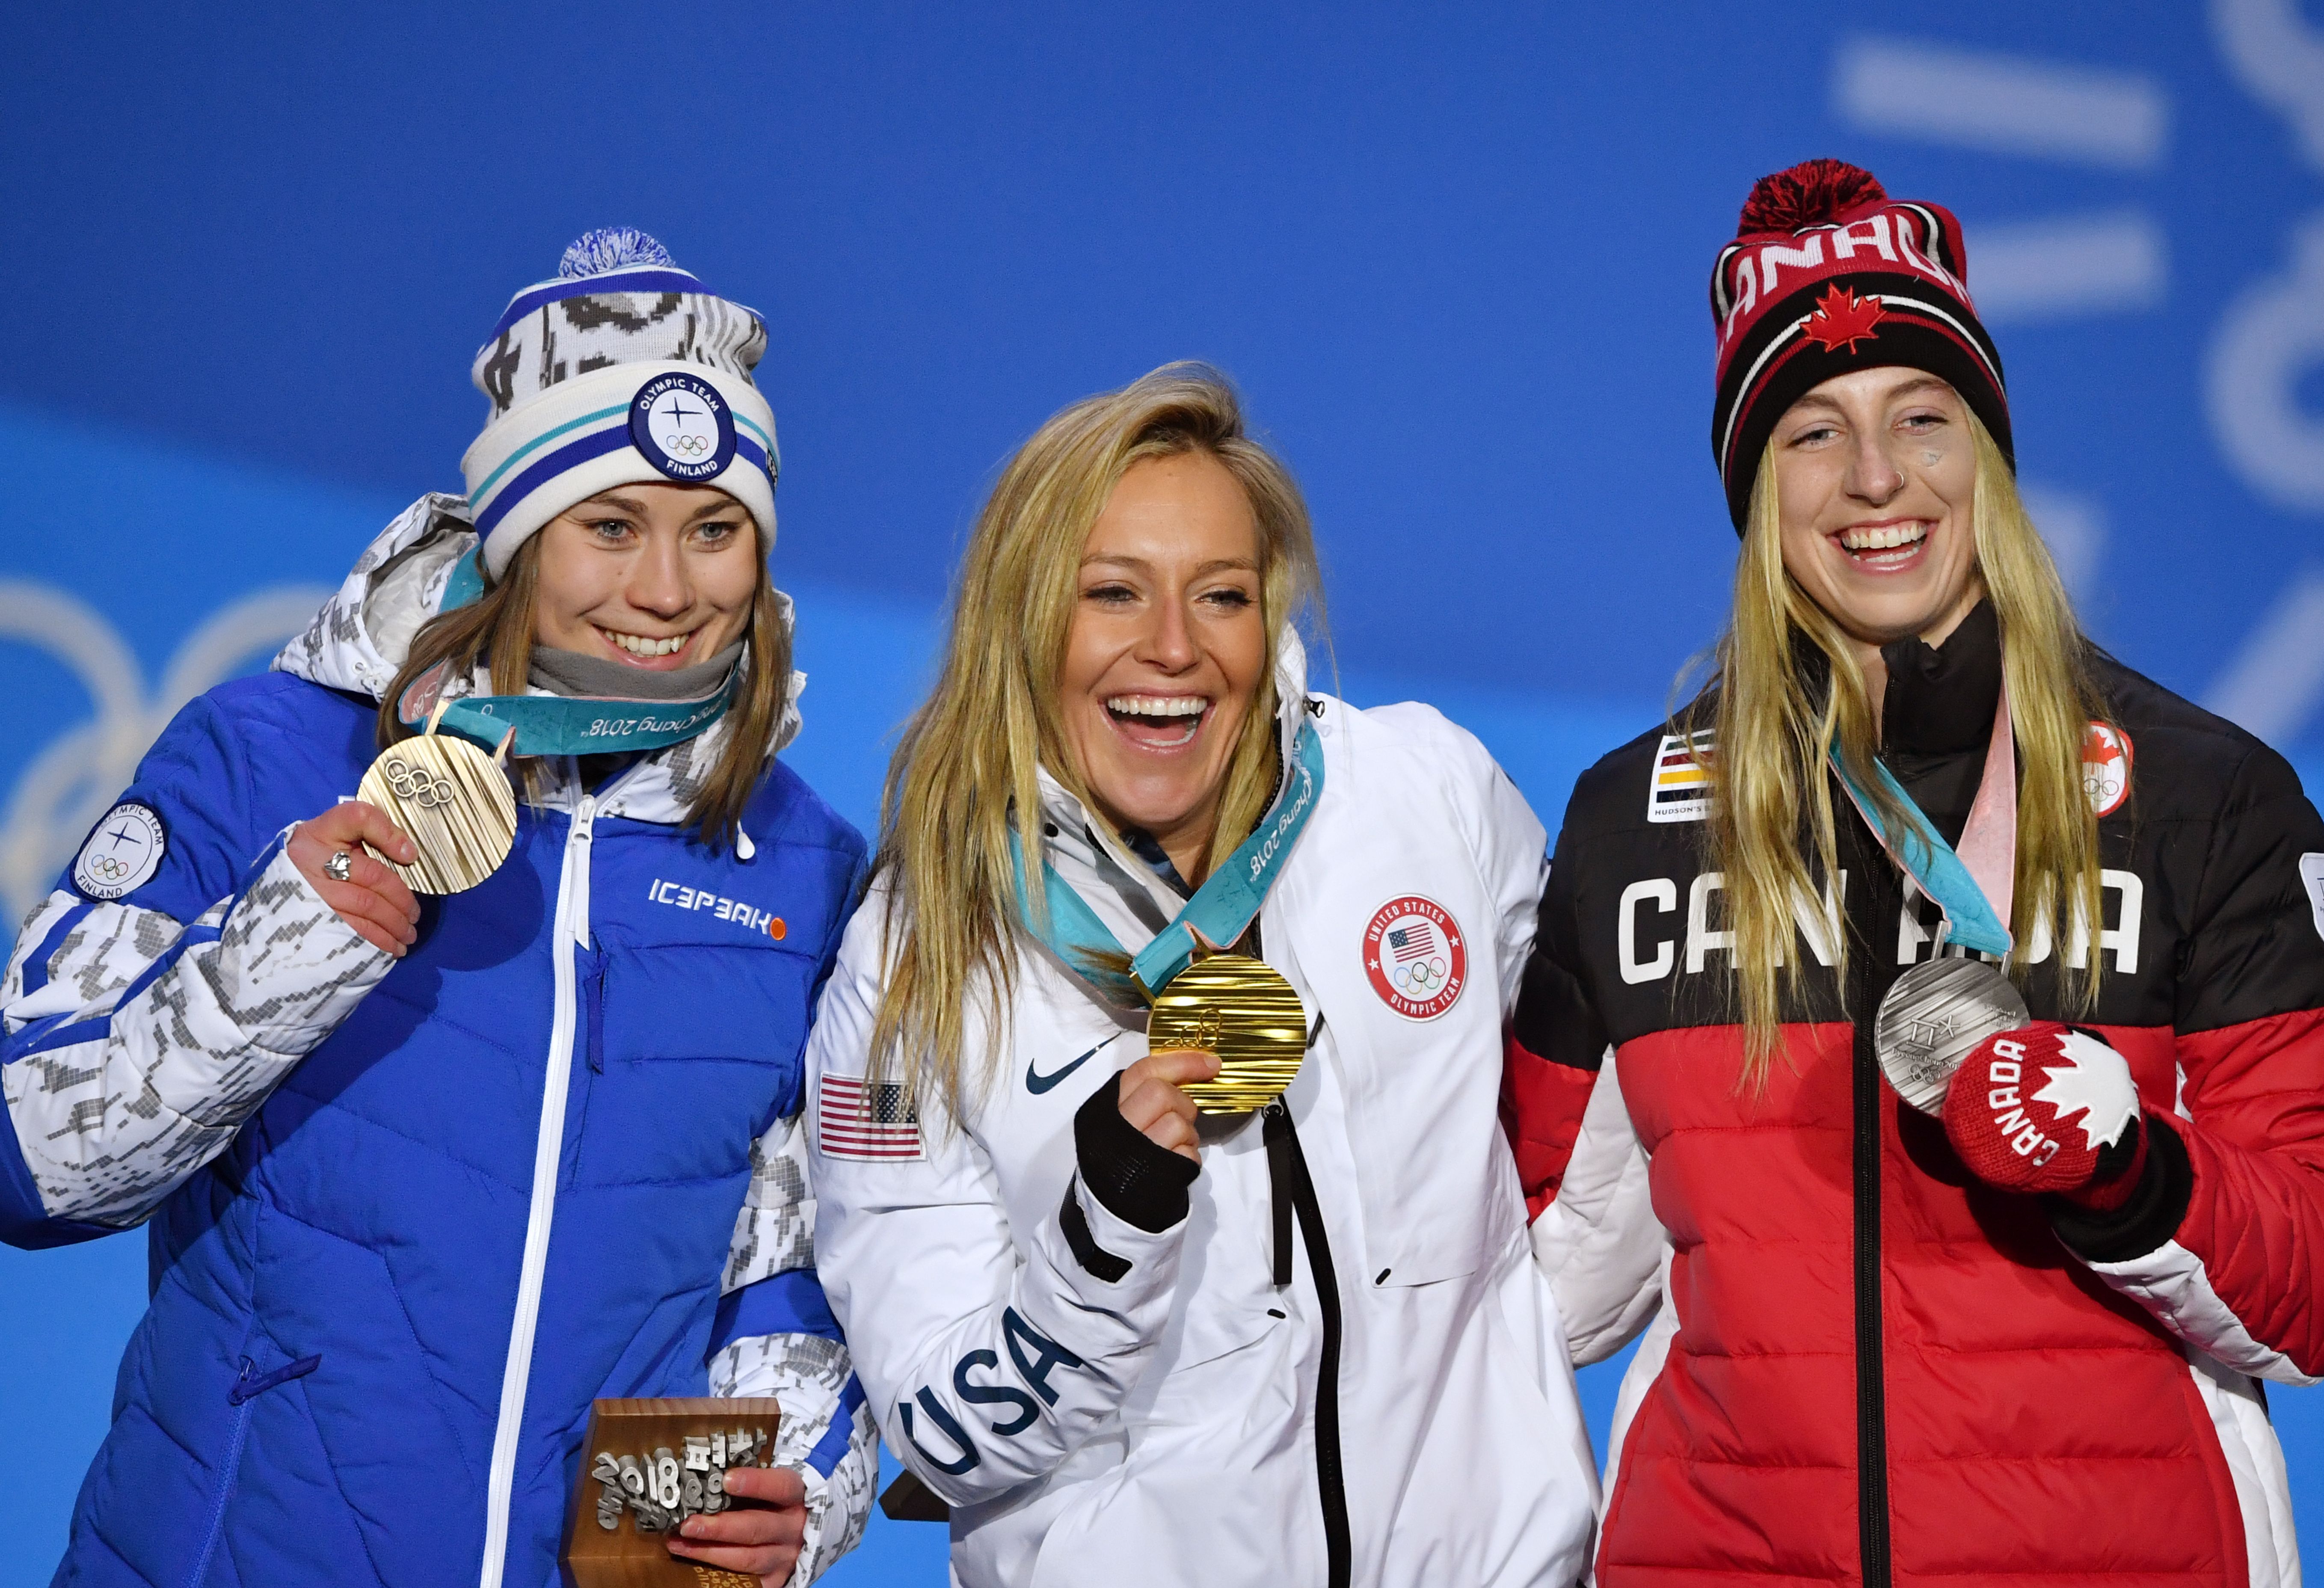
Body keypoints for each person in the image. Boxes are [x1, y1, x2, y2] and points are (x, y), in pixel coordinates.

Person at [1502, 158, 2324, 1585]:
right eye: (1809, 432)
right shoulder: (1633, 823)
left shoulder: (2205, 800)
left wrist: (2135, 1175)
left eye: (1923, 419)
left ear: (1987, 450)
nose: (1874, 480)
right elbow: (1535, 1278)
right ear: (1752, 488)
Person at [0, 230, 876, 1588]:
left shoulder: (800, 861)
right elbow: (26, 1159)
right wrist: (296, 939)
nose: (667, 591)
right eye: (609, 525)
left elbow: (791, 1257)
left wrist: (799, 1492)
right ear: (516, 535)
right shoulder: (275, 752)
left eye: (716, 531)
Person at [806, 364, 1596, 1587]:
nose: (1171, 649)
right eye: (1112, 594)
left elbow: (1603, 1109)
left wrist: (1534, 1343)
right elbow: (943, 1433)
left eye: (1219, 595)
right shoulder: (919, 957)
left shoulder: (1425, 795)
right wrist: (1103, 1238)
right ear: (1025, 621)